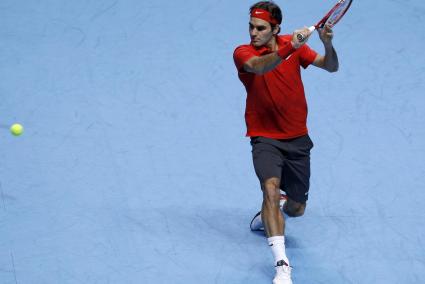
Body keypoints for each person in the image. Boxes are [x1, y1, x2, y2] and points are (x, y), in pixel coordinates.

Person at [233, 1, 339, 283]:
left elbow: (331, 67)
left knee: (296, 208)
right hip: (264, 136)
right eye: (251, 27)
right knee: (269, 188)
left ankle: (273, 212)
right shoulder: (243, 52)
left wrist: (327, 44)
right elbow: (258, 67)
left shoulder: (294, 46)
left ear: (275, 28)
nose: (253, 33)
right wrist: (290, 46)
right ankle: (282, 266)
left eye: (261, 28)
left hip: (297, 138)